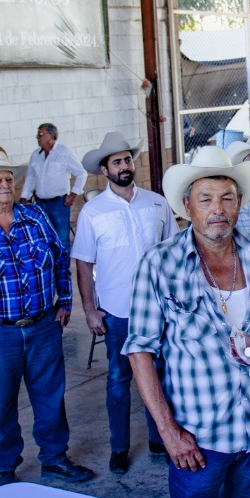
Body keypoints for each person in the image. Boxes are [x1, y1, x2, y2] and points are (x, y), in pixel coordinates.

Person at [126, 148, 250, 498]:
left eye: (227, 198)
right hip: (199, 436)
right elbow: (140, 351)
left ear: (239, 203)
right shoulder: (159, 264)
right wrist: (168, 432)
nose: (218, 208)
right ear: (187, 206)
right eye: (205, 199)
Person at [0, 150, 90, 486]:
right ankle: (5, 469)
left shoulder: (35, 217)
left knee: (50, 396)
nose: (5, 185)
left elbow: (60, 258)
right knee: (1, 404)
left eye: (7, 179)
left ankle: (55, 458)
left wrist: (66, 301)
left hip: (44, 325)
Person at [72, 132, 169, 473]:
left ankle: (160, 439)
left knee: (160, 377)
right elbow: (84, 262)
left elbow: (171, 253)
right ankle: (119, 448)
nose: (124, 166)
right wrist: (90, 309)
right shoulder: (93, 212)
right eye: (117, 162)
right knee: (118, 381)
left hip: (158, 310)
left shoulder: (157, 203)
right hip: (117, 312)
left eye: (127, 159)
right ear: (105, 169)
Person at [20, 122, 85, 251]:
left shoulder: (64, 152)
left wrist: (74, 194)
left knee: (61, 239)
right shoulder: (36, 155)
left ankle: (64, 270)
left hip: (59, 204)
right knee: (43, 237)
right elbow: (31, 177)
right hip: (40, 204)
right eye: (38, 135)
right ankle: (51, 268)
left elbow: (81, 173)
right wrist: (24, 196)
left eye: (41, 134)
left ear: (52, 135)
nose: (38, 137)